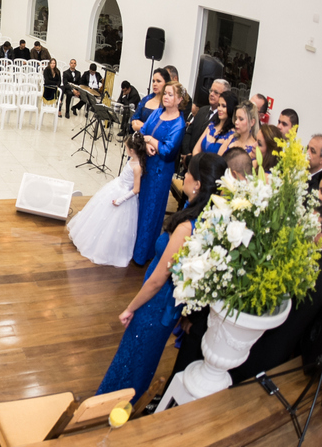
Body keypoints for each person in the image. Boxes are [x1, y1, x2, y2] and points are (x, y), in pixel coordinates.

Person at [98, 152, 228, 404]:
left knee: (133, 356)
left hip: (155, 303)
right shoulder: (209, 221)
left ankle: (110, 403)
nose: (185, 177)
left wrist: (130, 307)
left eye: (188, 173)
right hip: (170, 306)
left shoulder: (185, 228)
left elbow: (158, 279)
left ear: (198, 184)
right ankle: (128, 404)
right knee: (146, 359)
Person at [229, 201, 322, 383]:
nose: (305, 228)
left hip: (267, 345)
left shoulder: (306, 267)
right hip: (283, 348)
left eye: (312, 225)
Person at [67, 133, 146, 267]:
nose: (125, 150)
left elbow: (136, 189)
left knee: (115, 225)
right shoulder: (131, 159)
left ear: (132, 151)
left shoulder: (138, 167)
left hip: (123, 195)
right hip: (116, 186)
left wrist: (120, 200)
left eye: (126, 148)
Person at [132, 82, 189, 267]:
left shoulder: (179, 124)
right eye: (166, 93)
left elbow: (167, 151)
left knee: (151, 211)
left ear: (179, 100)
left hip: (160, 173)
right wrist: (147, 142)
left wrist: (151, 140)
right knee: (138, 206)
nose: (166, 97)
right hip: (146, 165)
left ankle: (142, 253)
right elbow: (143, 131)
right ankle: (131, 246)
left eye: (171, 95)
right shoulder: (157, 112)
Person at [182, 79, 229, 161]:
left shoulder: (222, 119)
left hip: (203, 163)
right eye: (211, 90)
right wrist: (187, 154)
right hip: (188, 159)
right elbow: (189, 132)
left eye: (216, 92)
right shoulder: (202, 110)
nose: (211, 94)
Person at [218, 99, 260, 171]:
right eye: (236, 118)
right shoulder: (231, 137)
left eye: (241, 119)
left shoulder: (254, 148)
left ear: (252, 122)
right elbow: (218, 160)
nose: (236, 122)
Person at [191, 90, 237, 156]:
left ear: (231, 108)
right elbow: (196, 150)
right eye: (219, 105)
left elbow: (219, 158)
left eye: (223, 106)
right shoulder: (211, 125)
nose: (219, 109)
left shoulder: (232, 134)